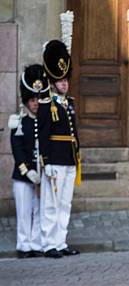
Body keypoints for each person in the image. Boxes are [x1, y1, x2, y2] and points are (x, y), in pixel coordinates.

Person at [38, 39, 81, 258]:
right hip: (54, 158)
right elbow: (43, 135)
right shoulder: (46, 105)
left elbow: (74, 134)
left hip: (69, 159)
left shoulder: (69, 103)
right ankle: (48, 243)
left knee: (65, 203)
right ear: (53, 82)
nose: (64, 83)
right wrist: (44, 160)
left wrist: (77, 156)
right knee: (50, 203)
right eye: (60, 80)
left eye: (65, 79)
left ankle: (61, 241)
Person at [9, 64, 49, 258]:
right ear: (26, 101)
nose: (35, 103)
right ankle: (23, 245)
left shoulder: (42, 121)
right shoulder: (18, 121)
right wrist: (28, 171)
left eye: (38, 99)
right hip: (24, 175)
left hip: (40, 175)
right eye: (32, 100)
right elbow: (17, 150)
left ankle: (36, 243)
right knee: (24, 212)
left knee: (38, 211)